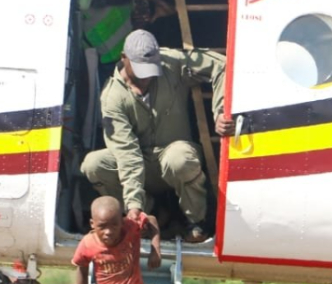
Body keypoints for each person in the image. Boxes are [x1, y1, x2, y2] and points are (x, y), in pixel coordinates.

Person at [80, 29, 231, 243]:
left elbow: (222, 65)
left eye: (152, 69)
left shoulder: (172, 62)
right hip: (140, 164)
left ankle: (196, 221)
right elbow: (127, 155)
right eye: (141, 69)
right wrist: (134, 206)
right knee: (93, 165)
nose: (147, 76)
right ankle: (154, 215)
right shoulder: (112, 97)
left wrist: (221, 110)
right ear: (124, 58)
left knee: (180, 158)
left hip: (174, 156)